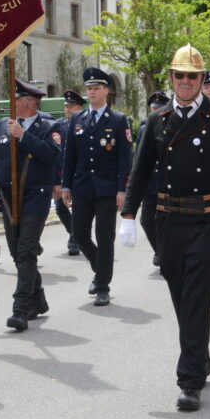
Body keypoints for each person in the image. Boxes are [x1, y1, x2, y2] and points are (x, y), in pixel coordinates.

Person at [121, 44, 210, 412]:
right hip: (168, 222)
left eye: (191, 76)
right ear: (171, 78)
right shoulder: (157, 120)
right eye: (179, 75)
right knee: (182, 297)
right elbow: (140, 170)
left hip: (207, 220)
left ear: (201, 80)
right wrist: (129, 216)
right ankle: (201, 357)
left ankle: (189, 380)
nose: (185, 82)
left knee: (196, 296)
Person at [0, 79, 61, 332]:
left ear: (30, 103)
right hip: (9, 199)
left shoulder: (49, 126)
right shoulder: (2, 125)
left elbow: (52, 154)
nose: (10, 104)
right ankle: (39, 298)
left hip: (36, 196)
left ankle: (20, 309)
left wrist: (23, 136)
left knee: (25, 250)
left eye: (15, 100)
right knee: (17, 253)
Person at [61, 67, 132, 307]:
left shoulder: (118, 120)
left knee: (105, 237)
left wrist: (122, 189)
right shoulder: (78, 119)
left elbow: (125, 158)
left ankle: (102, 285)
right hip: (82, 187)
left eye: (96, 88)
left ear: (106, 91)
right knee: (79, 234)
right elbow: (69, 155)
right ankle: (99, 267)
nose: (91, 92)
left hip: (107, 189)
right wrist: (65, 185)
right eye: (89, 88)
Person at [136, 91, 170, 263]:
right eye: (153, 108)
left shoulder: (175, 125)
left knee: (167, 223)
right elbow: (139, 157)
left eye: (159, 108)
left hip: (167, 184)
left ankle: (165, 254)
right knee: (146, 221)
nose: (155, 111)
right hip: (150, 185)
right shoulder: (144, 128)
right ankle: (161, 250)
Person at [54, 90, 85, 257]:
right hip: (62, 172)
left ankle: (75, 238)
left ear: (80, 107)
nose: (68, 109)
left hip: (80, 173)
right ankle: (74, 234)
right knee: (60, 207)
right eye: (66, 106)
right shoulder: (58, 125)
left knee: (79, 208)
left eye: (71, 106)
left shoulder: (86, 124)